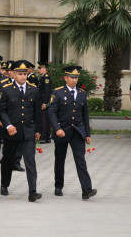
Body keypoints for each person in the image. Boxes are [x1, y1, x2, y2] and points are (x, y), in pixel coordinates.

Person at [48, 65, 97, 200]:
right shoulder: (57, 93)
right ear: (65, 78)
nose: (74, 80)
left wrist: (87, 134)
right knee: (60, 159)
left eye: (76, 77)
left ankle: (86, 189)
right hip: (62, 131)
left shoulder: (82, 94)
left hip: (78, 132)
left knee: (80, 160)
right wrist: (57, 128)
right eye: (71, 77)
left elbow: (85, 115)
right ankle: (58, 186)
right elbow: (51, 113)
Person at [0, 60, 42, 202]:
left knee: (30, 161)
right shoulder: (6, 89)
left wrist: (37, 130)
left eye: (25, 74)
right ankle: (4, 184)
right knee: (8, 159)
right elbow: (2, 111)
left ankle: (33, 191)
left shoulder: (34, 89)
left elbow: (37, 112)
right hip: (12, 131)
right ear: (14, 74)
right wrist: (8, 125)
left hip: (28, 131)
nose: (23, 77)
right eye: (20, 74)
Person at [37, 62, 52, 144]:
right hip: (42, 101)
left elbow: (47, 91)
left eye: (40, 68)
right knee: (45, 119)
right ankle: (47, 137)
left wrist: (45, 103)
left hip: (43, 102)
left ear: (44, 69)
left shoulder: (46, 78)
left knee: (43, 120)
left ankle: (43, 137)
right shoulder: (43, 77)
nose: (39, 70)